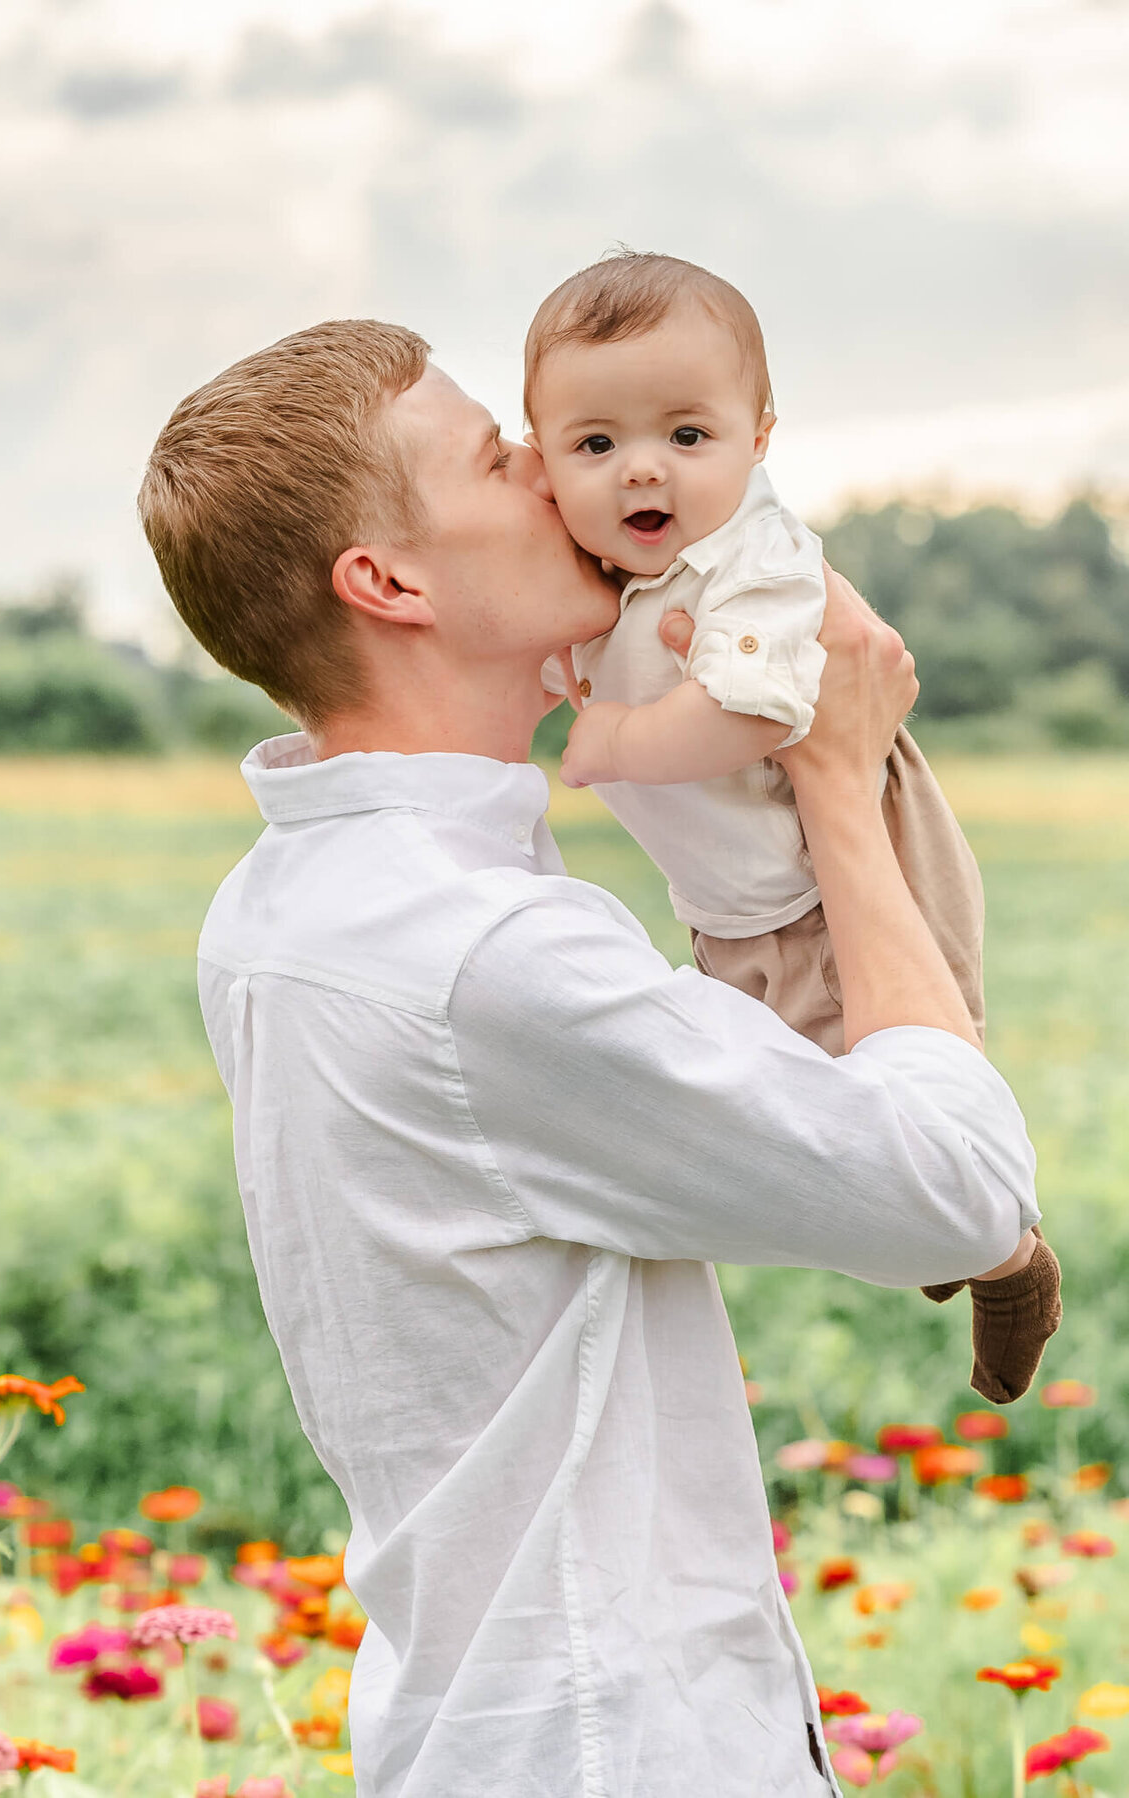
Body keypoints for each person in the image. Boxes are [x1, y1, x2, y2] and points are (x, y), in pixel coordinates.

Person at [138, 318, 1040, 1798]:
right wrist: (830, 775)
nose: (560, 475)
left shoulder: (278, 907)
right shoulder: (485, 953)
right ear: (389, 580)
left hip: (491, 1721)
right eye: (501, 455)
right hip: (618, 1746)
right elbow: (954, 1187)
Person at [525, 251, 1060, 1405]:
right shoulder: (600, 570)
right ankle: (943, 1236)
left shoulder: (751, 560)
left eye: (687, 434)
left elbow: (749, 709)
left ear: (760, 438)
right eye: (596, 444)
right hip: (732, 907)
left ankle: (1009, 1264)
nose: (642, 471)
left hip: (846, 862)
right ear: (542, 457)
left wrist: (614, 741)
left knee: (905, 1086)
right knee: (804, 1120)